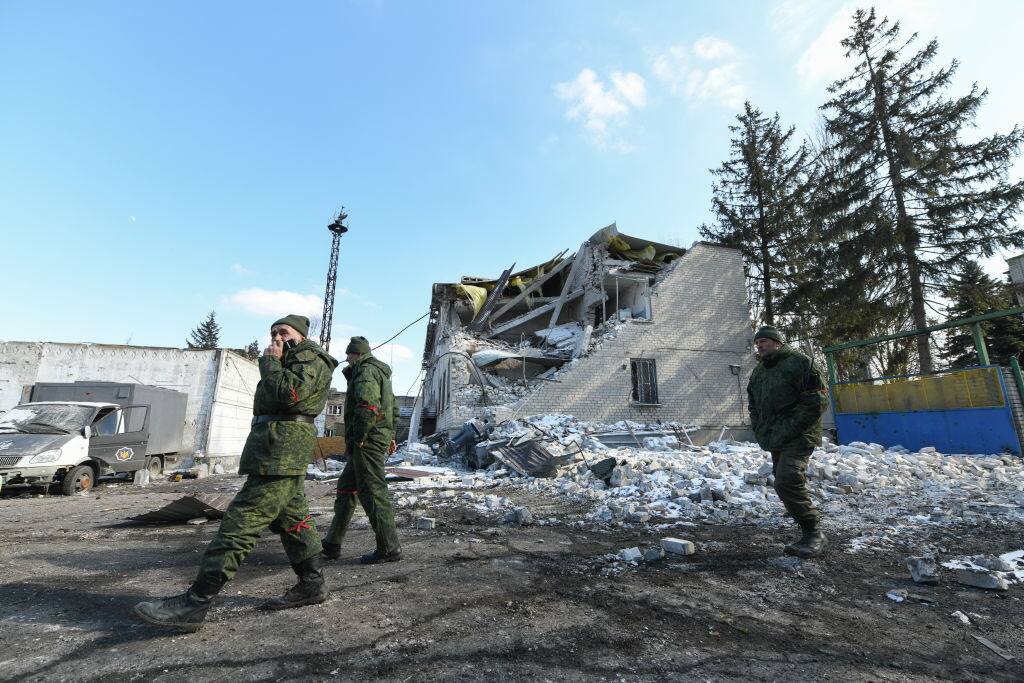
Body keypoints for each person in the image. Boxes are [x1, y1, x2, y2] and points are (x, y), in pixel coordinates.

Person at [133, 314, 338, 631]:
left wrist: (271, 365)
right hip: (275, 450)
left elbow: (289, 396)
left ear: (301, 335)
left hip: (280, 454)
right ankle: (312, 583)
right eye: (272, 333)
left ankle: (196, 602)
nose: (276, 338)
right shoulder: (288, 361)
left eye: (283, 332)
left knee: (240, 522)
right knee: (293, 519)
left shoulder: (310, 358)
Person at [747, 325, 829, 558]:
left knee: (787, 480)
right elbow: (753, 404)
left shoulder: (800, 363)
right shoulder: (759, 372)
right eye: (757, 342)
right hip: (775, 437)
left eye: (764, 341)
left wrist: (790, 427)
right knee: (783, 483)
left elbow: (817, 400)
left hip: (799, 435)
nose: (760, 346)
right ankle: (809, 532)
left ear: (778, 342)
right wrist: (759, 427)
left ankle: (814, 533)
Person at [321, 336, 401, 564]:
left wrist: (360, 437)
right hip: (373, 439)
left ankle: (389, 548)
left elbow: (368, 406)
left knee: (373, 492)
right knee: (347, 488)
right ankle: (332, 543)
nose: (346, 359)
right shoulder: (380, 373)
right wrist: (391, 435)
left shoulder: (366, 371)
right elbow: (393, 408)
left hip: (367, 442)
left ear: (357, 354)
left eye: (349, 355)